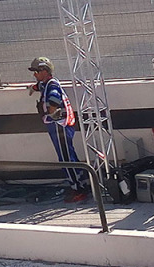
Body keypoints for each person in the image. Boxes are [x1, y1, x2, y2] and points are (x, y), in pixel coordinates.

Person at [27, 57, 90, 203]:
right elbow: (40, 86)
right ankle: (81, 183)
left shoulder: (52, 86)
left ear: (44, 71)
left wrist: (50, 112)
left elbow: (54, 100)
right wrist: (33, 88)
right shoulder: (47, 83)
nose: (34, 74)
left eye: (36, 71)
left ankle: (79, 189)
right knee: (68, 155)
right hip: (58, 126)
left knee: (66, 159)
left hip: (59, 126)